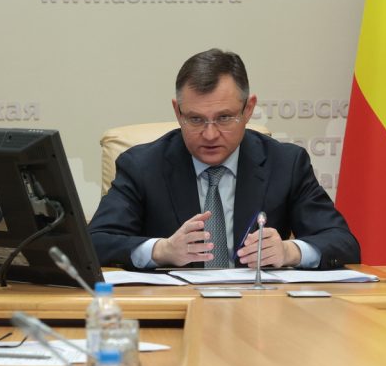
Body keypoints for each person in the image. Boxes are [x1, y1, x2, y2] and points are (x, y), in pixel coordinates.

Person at [88, 48, 360, 270]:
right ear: (178, 111)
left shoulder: (285, 163)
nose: (210, 134)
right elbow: (94, 243)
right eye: (195, 119)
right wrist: (162, 250)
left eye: (224, 118)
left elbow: (343, 243)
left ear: (248, 109)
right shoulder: (142, 166)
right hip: (175, 307)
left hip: (258, 310)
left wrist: (290, 252)